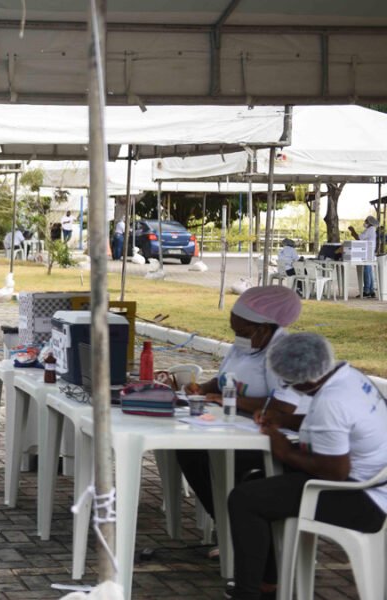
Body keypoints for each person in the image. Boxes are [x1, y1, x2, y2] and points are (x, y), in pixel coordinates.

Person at [226, 333, 387, 600]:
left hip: (363, 499)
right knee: (255, 480)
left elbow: (334, 471)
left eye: (290, 384)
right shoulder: (347, 377)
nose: (290, 389)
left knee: (244, 499)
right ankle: (268, 580)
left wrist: (283, 450)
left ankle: (248, 593)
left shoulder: (332, 402)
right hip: (375, 482)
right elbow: (328, 426)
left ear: (305, 381)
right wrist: (282, 419)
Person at [176, 286, 304, 538]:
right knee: (188, 450)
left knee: (215, 458)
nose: (238, 338)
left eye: (243, 332)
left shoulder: (286, 353)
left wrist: (227, 400)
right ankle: (226, 525)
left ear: (265, 328)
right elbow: (223, 380)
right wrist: (202, 388)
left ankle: (238, 532)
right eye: (234, 331)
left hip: (277, 438)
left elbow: (283, 408)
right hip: (235, 427)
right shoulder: (245, 345)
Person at [348, 215, 379, 298]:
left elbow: (359, 238)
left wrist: (353, 231)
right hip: (369, 253)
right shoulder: (372, 230)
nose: (365, 222)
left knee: (366, 271)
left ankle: (367, 291)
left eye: (366, 221)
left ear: (369, 222)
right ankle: (371, 291)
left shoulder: (370, 230)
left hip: (367, 253)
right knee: (369, 271)